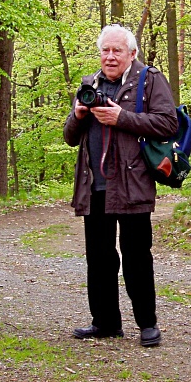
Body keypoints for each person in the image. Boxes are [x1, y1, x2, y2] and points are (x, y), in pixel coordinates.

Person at [64, 24, 177, 347]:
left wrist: (121, 118)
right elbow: (70, 138)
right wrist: (77, 114)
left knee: (136, 256)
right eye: (105, 51)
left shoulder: (149, 80)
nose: (110, 57)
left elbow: (167, 123)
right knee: (98, 257)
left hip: (132, 184)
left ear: (132, 54)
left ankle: (147, 324)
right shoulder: (90, 84)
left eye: (117, 51)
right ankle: (105, 322)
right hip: (94, 186)